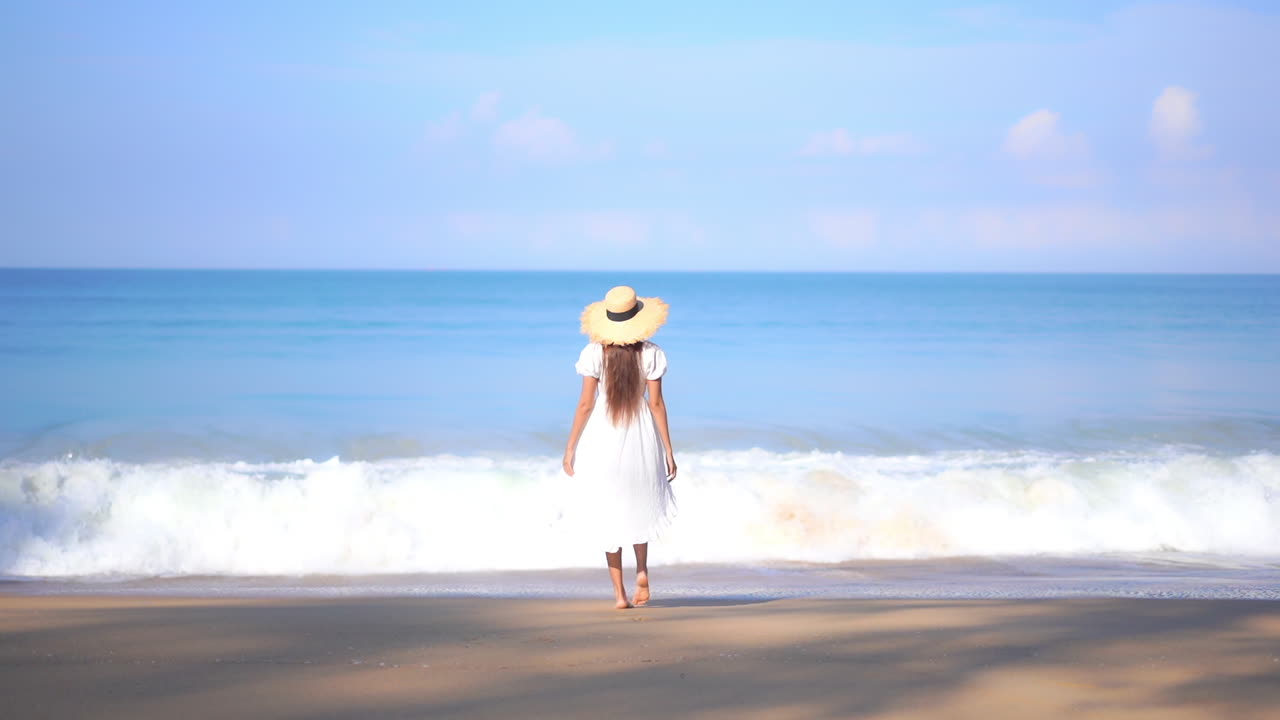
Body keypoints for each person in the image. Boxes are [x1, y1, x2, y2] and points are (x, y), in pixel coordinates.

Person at [563, 285, 677, 609]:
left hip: (603, 435)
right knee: (638, 503)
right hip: (640, 434)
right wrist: (668, 449)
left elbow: (585, 404)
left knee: (607, 513)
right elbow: (656, 404)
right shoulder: (652, 353)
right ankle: (641, 571)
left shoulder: (593, 353)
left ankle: (620, 595)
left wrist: (571, 446)